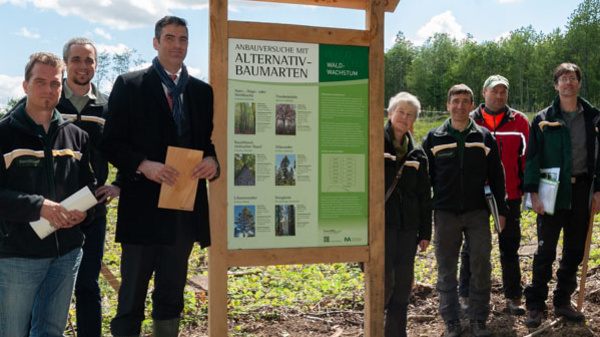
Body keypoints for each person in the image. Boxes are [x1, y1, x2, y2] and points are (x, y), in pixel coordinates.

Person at [101, 16, 219, 337]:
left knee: (171, 296)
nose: (176, 45)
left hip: (183, 209)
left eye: (182, 39)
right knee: (131, 299)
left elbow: (205, 143)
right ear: (156, 42)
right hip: (142, 209)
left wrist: (212, 161)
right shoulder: (130, 84)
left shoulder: (201, 92)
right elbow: (110, 142)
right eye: (169, 38)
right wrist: (143, 164)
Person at [0, 52, 95, 337]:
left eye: (55, 83)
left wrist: (84, 213)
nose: (48, 89)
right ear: (25, 85)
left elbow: (88, 187)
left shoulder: (76, 136)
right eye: (40, 81)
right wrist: (38, 207)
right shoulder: (4, 134)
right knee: (12, 332)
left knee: (51, 332)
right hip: (19, 256)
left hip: (66, 254)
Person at [422, 84, 507, 337]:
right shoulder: (433, 138)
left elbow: (497, 176)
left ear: (472, 105)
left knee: (481, 263)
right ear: (448, 105)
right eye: (455, 101)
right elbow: (424, 182)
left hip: (477, 213)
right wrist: (424, 220)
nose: (460, 105)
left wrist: (501, 211)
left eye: (465, 101)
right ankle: (451, 320)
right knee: (446, 268)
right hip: (445, 214)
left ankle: (478, 318)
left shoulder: (484, 137)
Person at [523, 63, 600, 328]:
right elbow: (532, 157)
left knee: (575, 250)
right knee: (545, 250)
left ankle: (562, 299)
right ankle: (535, 304)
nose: (568, 83)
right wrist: (532, 193)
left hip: (582, 191)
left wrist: (598, 191)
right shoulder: (543, 119)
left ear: (579, 83)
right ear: (556, 85)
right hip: (551, 190)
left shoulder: (594, 118)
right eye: (563, 79)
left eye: (572, 78)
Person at [58, 37, 121, 337]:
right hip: (51, 208)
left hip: (91, 209)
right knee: (45, 285)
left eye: (89, 60)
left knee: (87, 285)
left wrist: (119, 184)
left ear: (96, 64)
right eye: (76, 59)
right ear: (65, 64)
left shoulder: (107, 106)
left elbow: (126, 147)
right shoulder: (49, 98)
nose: (83, 66)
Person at [458, 75, 529, 315]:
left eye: (503, 92)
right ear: (484, 92)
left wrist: (524, 191)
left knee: (509, 247)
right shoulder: (469, 121)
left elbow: (526, 160)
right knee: (472, 248)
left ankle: (512, 297)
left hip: (509, 196)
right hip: (475, 197)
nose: (499, 96)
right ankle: (466, 295)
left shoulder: (520, 122)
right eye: (494, 91)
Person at [383, 92, 432, 337]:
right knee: (383, 284)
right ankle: (374, 328)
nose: (404, 117)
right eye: (400, 112)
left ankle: (396, 333)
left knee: (403, 286)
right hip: (382, 228)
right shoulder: (374, 144)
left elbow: (425, 196)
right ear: (390, 114)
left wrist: (425, 232)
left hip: (408, 230)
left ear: (414, 121)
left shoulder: (418, 154)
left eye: (409, 114)